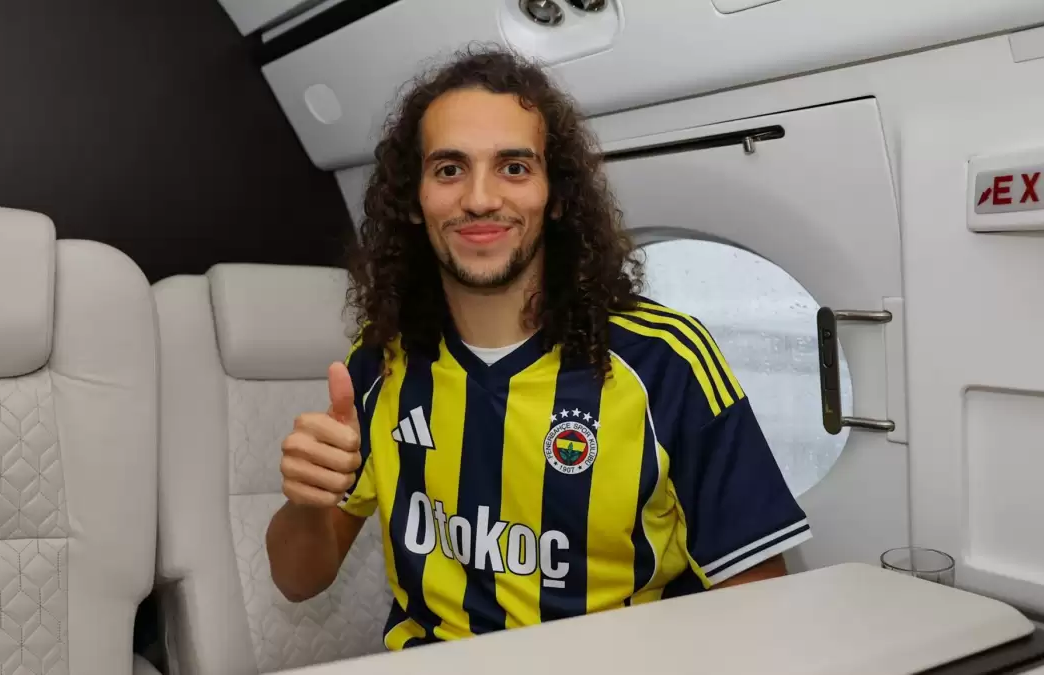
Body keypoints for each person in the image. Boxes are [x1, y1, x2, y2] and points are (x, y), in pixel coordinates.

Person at [266, 45, 811, 650]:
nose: (479, 198)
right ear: (414, 201)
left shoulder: (665, 361)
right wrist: (306, 503)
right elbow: (297, 580)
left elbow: (758, 596)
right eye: (449, 169)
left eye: (513, 167)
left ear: (555, 197)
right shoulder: (380, 360)